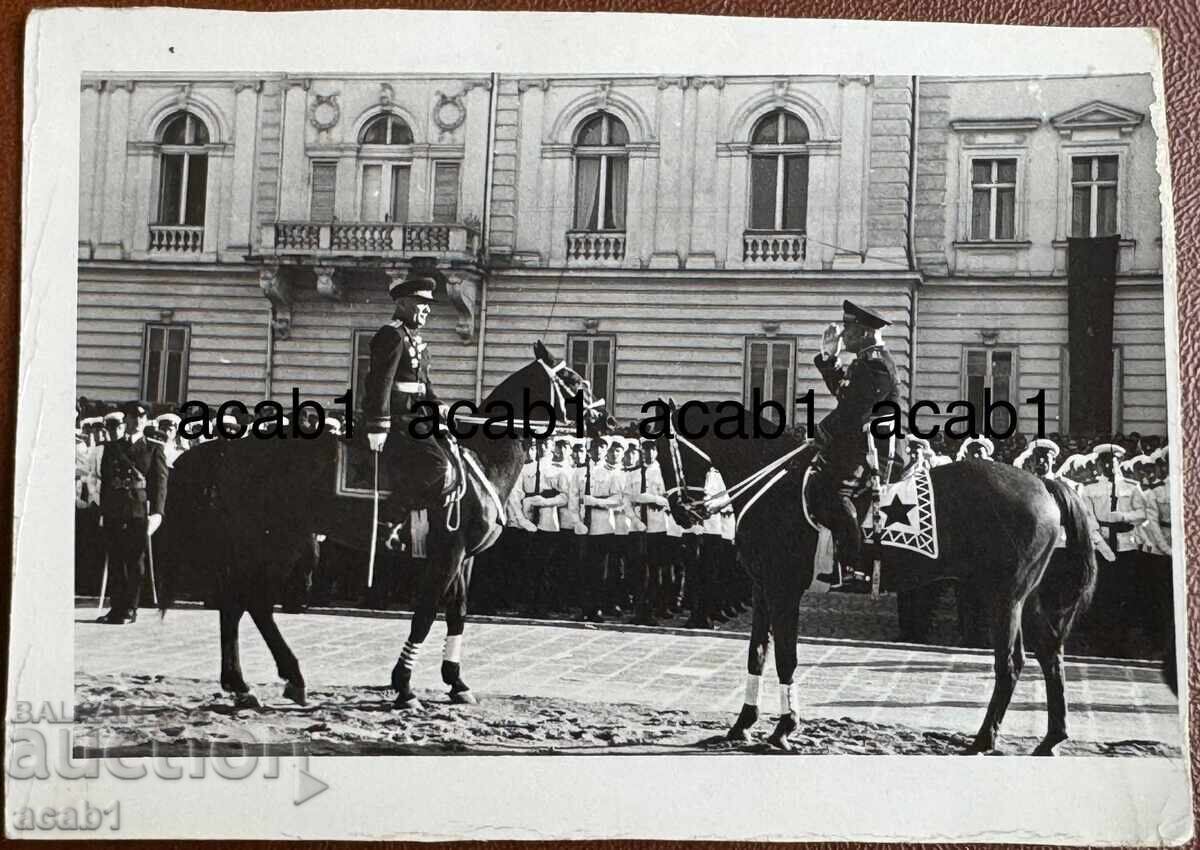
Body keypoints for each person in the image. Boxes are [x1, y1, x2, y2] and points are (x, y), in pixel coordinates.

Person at [809, 300, 899, 588]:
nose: (842, 335)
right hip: (858, 444)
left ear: (863, 332)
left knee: (838, 492)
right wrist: (828, 357)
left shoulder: (876, 364)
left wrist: (821, 431)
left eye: (847, 329)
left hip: (873, 450)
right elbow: (845, 395)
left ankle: (854, 568)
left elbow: (853, 410)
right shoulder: (865, 360)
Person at [364, 273, 452, 533]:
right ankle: (393, 512)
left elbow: (424, 384)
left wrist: (439, 406)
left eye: (428, 305)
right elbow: (380, 382)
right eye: (420, 303)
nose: (426, 309)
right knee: (438, 463)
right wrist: (378, 426)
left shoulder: (416, 341)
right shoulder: (391, 336)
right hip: (400, 419)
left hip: (418, 416)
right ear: (402, 304)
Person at [97, 402, 168, 624]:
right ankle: (116, 607)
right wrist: (103, 509)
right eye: (133, 416)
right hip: (115, 510)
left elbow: (160, 484)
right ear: (125, 419)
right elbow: (106, 482)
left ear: (146, 421)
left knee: (135, 560)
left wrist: (157, 513)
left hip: (139, 511)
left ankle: (130, 608)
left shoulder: (154, 448)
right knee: (116, 559)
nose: (137, 420)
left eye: (142, 416)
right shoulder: (112, 447)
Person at [1080, 443, 1147, 653]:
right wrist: (1101, 545)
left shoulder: (1131, 486)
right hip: (1101, 545)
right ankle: (1098, 637)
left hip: (1126, 544)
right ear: (1098, 465)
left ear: (1119, 463)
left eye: (1113, 461)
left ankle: (1121, 638)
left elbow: (1143, 513)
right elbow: (1087, 519)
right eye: (1104, 462)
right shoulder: (1089, 488)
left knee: (1124, 591)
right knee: (1100, 591)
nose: (1109, 466)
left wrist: (1125, 517)